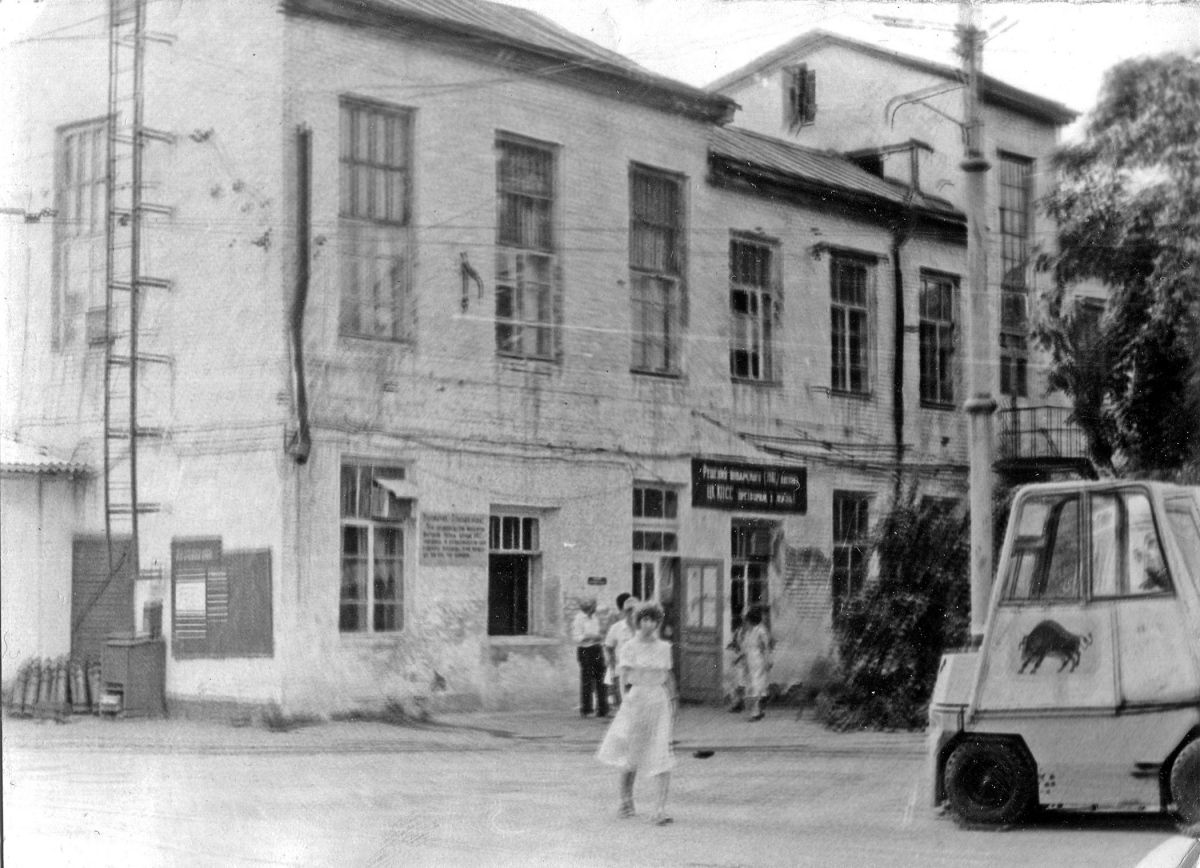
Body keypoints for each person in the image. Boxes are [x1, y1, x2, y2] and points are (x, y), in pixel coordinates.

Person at [596, 602, 677, 825]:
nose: (649, 624)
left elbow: (668, 676)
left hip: (658, 700)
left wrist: (673, 701)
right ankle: (626, 801)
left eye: (653, 620)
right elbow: (622, 676)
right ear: (638, 621)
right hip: (636, 699)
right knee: (631, 752)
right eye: (644, 619)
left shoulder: (664, 647)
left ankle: (659, 809)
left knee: (661, 752)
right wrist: (623, 701)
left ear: (658, 622)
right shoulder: (629, 646)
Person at [571, 597, 608, 718]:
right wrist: (590, 636)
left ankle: (602, 709)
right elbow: (576, 637)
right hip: (585, 650)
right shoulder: (578, 619)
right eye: (593, 606)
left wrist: (599, 637)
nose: (594, 608)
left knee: (601, 679)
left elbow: (598, 633)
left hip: (597, 648)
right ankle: (586, 709)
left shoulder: (595, 618)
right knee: (587, 680)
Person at [603, 593, 639, 709]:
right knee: (623, 708)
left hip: (640, 672)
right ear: (624, 612)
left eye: (635, 610)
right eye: (629, 611)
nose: (632, 614)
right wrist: (610, 661)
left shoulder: (642, 628)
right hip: (622, 672)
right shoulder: (616, 628)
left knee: (638, 706)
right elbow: (608, 647)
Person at [740, 607, 773, 721]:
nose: (747, 622)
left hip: (758, 660)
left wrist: (767, 660)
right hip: (749, 660)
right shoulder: (749, 631)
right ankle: (757, 710)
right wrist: (743, 660)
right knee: (751, 685)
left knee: (756, 685)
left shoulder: (761, 630)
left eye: (748, 620)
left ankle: (755, 712)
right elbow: (745, 647)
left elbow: (766, 647)